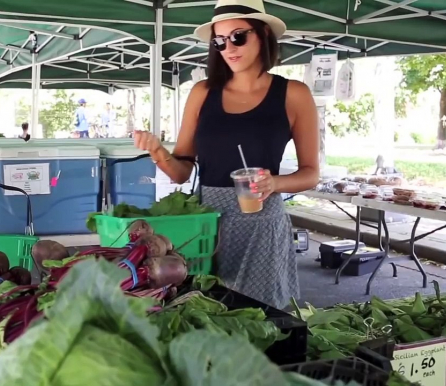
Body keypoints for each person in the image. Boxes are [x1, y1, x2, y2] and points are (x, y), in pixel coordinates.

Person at [133, 0, 319, 309]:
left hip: (263, 226)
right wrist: (157, 151)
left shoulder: (294, 94)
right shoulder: (202, 93)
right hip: (208, 225)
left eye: (238, 37)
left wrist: (274, 183)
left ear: (263, 35)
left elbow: (311, 172)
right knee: (206, 310)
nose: (228, 47)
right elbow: (181, 171)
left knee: (260, 318)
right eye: (219, 41)